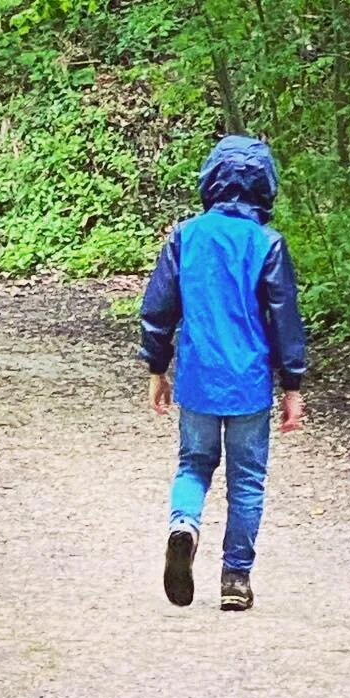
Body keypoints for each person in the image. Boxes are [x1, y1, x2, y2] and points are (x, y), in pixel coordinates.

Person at [140, 135, 307, 612]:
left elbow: (159, 308)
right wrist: (292, 384)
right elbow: (284, 318)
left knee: (193, 464)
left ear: (211, 180)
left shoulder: (185, 236)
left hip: (198, 376)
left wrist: (157, 367)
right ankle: (235, 578)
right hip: (249, 383)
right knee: (247, 480)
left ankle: (184, 526)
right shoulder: (267, 243)